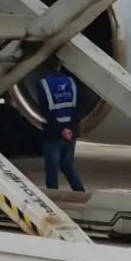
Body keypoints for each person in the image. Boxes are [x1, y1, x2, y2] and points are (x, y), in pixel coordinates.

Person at [37, 62, 84, 192]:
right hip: (71, 133)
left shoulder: (43, 84)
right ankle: (80, 193)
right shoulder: (71, 82)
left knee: (52, 170)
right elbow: (79, 108)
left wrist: (61, 130)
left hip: (53, 134)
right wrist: (70, 129)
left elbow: (46, 112)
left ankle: (53, 196)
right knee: (68, 166)